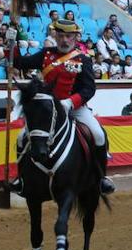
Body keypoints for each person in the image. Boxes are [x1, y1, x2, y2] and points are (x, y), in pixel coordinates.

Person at [11, 19, 115, 195]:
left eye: (68, 36)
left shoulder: (83, 59)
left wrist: (71, 102)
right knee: (22, 138)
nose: (64, 40)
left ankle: (100, 178)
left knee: (98, 134)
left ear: (75, 37)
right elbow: (20, 62)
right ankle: (21, 179)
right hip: (48, 109)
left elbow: (89, 89)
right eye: (61, 36)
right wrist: (11, 44)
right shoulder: (45, 55)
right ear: (55, 36)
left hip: (74, 107)